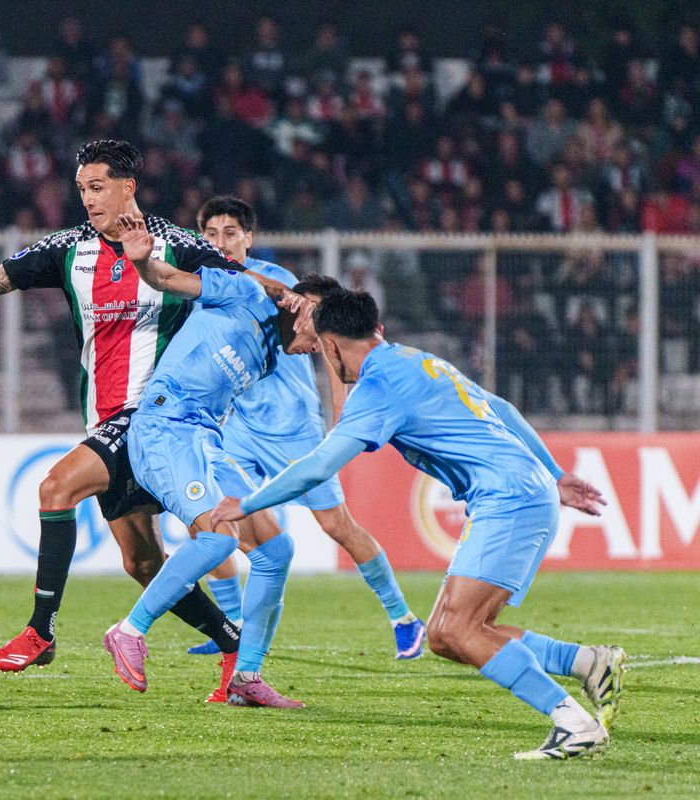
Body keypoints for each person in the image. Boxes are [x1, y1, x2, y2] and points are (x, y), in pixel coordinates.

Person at [0, 140, 245, 697]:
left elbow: (241, 285)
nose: (88, 199)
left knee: (56, 487)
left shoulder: (178, 245)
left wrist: (291, 303)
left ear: (128, 187)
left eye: (98, 187)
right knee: (142, 564)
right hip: (106, 420)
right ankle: (234, 646)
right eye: (82, 189)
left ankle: (40, 632)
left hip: (155, 415)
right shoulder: (69, 249)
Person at [211, 289, 624, 759]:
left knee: (459, 629)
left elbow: (319, 465)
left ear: (331, 346)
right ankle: (587, 662)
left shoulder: (376, 388)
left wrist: (248, 503)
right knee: (447, 635)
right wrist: (556, 474)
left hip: (509, 498)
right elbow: (502, 410)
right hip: (521, 491)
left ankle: (573, 722)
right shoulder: (415, 359)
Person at [187, 197, 424, 659]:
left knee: (337, 524)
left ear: (248, 237)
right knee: (207, 516)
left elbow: (330, 344)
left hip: (293, 427)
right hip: (238, 427)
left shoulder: (279, 284)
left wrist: (342, 412)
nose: (221, 242)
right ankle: (232, 624)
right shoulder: (204, 287)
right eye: (211, 234)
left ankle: (403, 618)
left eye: (230, 233)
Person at [101, 212, 307, 707]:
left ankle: (246, 676)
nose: (318, 347)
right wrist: (141, 260)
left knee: (276, 550)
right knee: (219, 538)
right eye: (320, 332)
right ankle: (129, 630)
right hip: (164, 428)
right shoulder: (242, 291)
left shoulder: (270, 354)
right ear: (301, 308)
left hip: (204, 441)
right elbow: (169, 279)